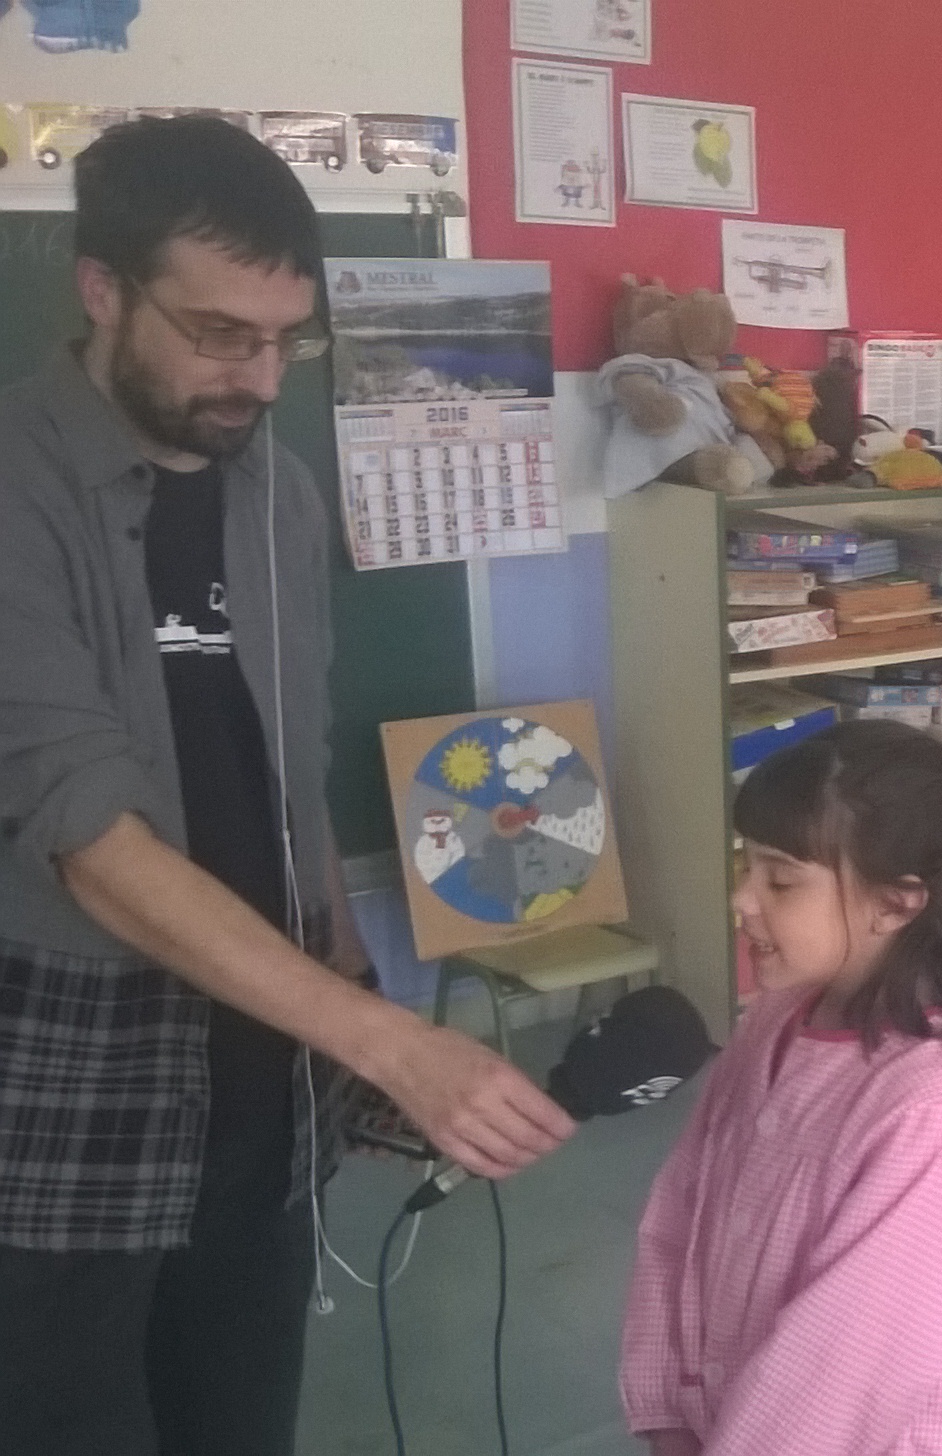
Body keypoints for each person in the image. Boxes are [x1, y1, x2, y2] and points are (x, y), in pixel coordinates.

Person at [0, 116, 569, 1456]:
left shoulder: (281, 494)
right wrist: (392, 1045)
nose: (258, 379)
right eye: (218, 335)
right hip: (69, 1069)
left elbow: (290, 768)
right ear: (102, 290)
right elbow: (87, 838)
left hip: (264, 1059)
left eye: (285, 341)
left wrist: (351, 992)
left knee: (239, 1418)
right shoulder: (17, 486)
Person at [621, 722, 942, 1455]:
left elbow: (835, 1380)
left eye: (780, 881)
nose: (743, 899)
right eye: (747, 866)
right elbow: (678, 1219)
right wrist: (668, 1416)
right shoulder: (773, 1022)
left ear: (896, 903)